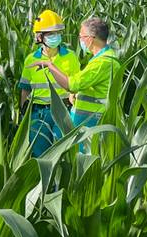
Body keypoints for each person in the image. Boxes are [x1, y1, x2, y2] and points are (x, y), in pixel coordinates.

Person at [28, 17, 123, 147]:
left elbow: (71, 85)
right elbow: (88, 86)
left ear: (90, 38)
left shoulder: (103, 62)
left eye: (81, 36)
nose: (80, 40)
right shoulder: (101, 59)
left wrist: (50, 66)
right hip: (86, 126)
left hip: (91, 127)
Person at [18, 9, 81, 157]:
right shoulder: (31, 59)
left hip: (63, 111)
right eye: (51, 34)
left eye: (58, 33)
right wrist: (22, 112)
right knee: (40, 155)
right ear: (39, 37)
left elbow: (77, 86)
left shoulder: (71, 57)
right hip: (38, 113)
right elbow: (25, 89)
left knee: (64, 154)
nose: (56, 37)